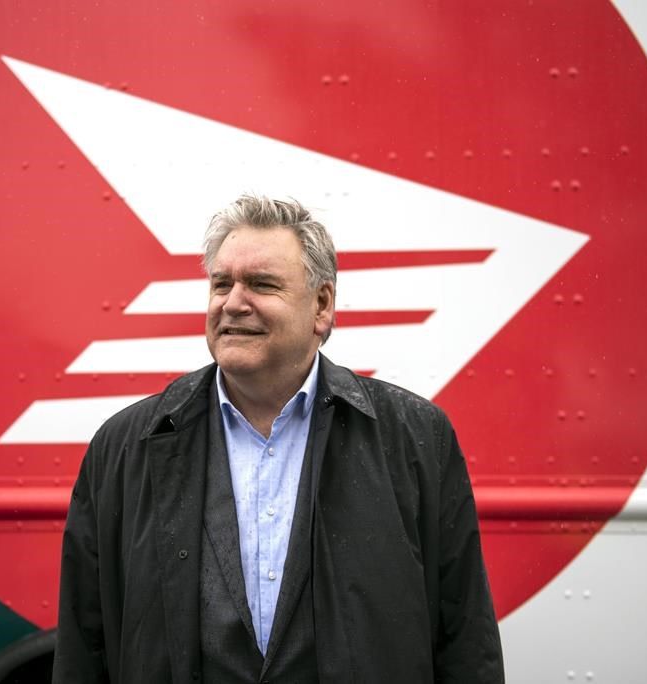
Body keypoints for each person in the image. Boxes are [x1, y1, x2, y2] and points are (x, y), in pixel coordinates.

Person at [53, 195, 504, 683]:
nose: (233, 302)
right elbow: (85, 643)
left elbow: (464, 636)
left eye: (261, 284)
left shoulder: (416, 438)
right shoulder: (123, 447)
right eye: (221, 283)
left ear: (322, 306)